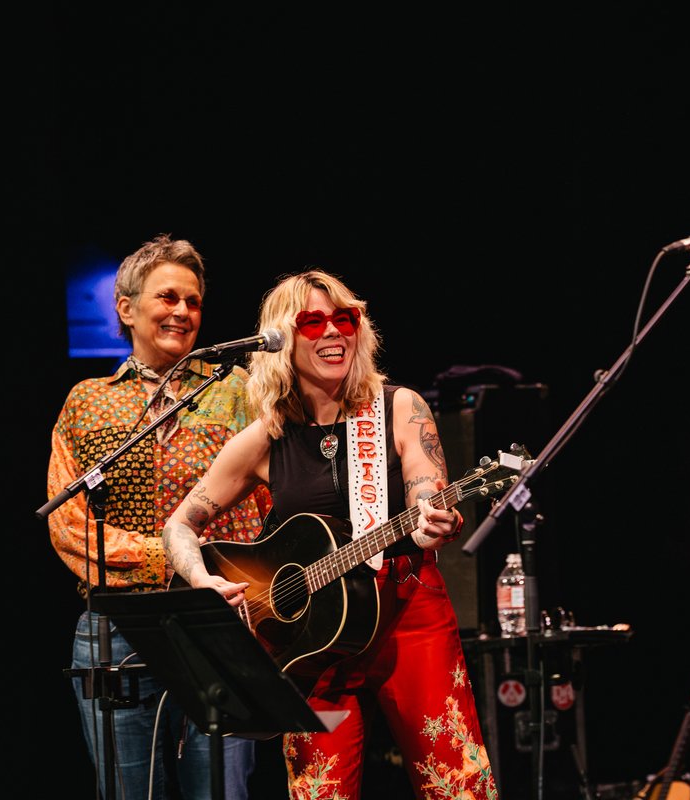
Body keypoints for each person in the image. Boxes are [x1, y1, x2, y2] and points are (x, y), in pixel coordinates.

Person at [161, 269, 498, 799]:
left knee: (456, 783)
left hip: (407, 617)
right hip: (311, 646)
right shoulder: (266, 437)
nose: (333, 332)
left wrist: (432, 521)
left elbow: (424, 492)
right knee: (321, 792)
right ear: (282, 340)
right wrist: (202, 580)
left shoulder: (399, 407)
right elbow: (181, 523)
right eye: (312, 322)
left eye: (344, 319)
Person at [46, 234, 270, 799]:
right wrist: (167, 556)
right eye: (168, 298)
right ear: (126, 309)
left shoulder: (240, 392)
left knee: (220, 792)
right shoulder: (87, 400)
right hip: (116, 629)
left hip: (216, 621)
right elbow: (68, 526)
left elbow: (274, 507)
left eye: (193, 302)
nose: (183, 312)